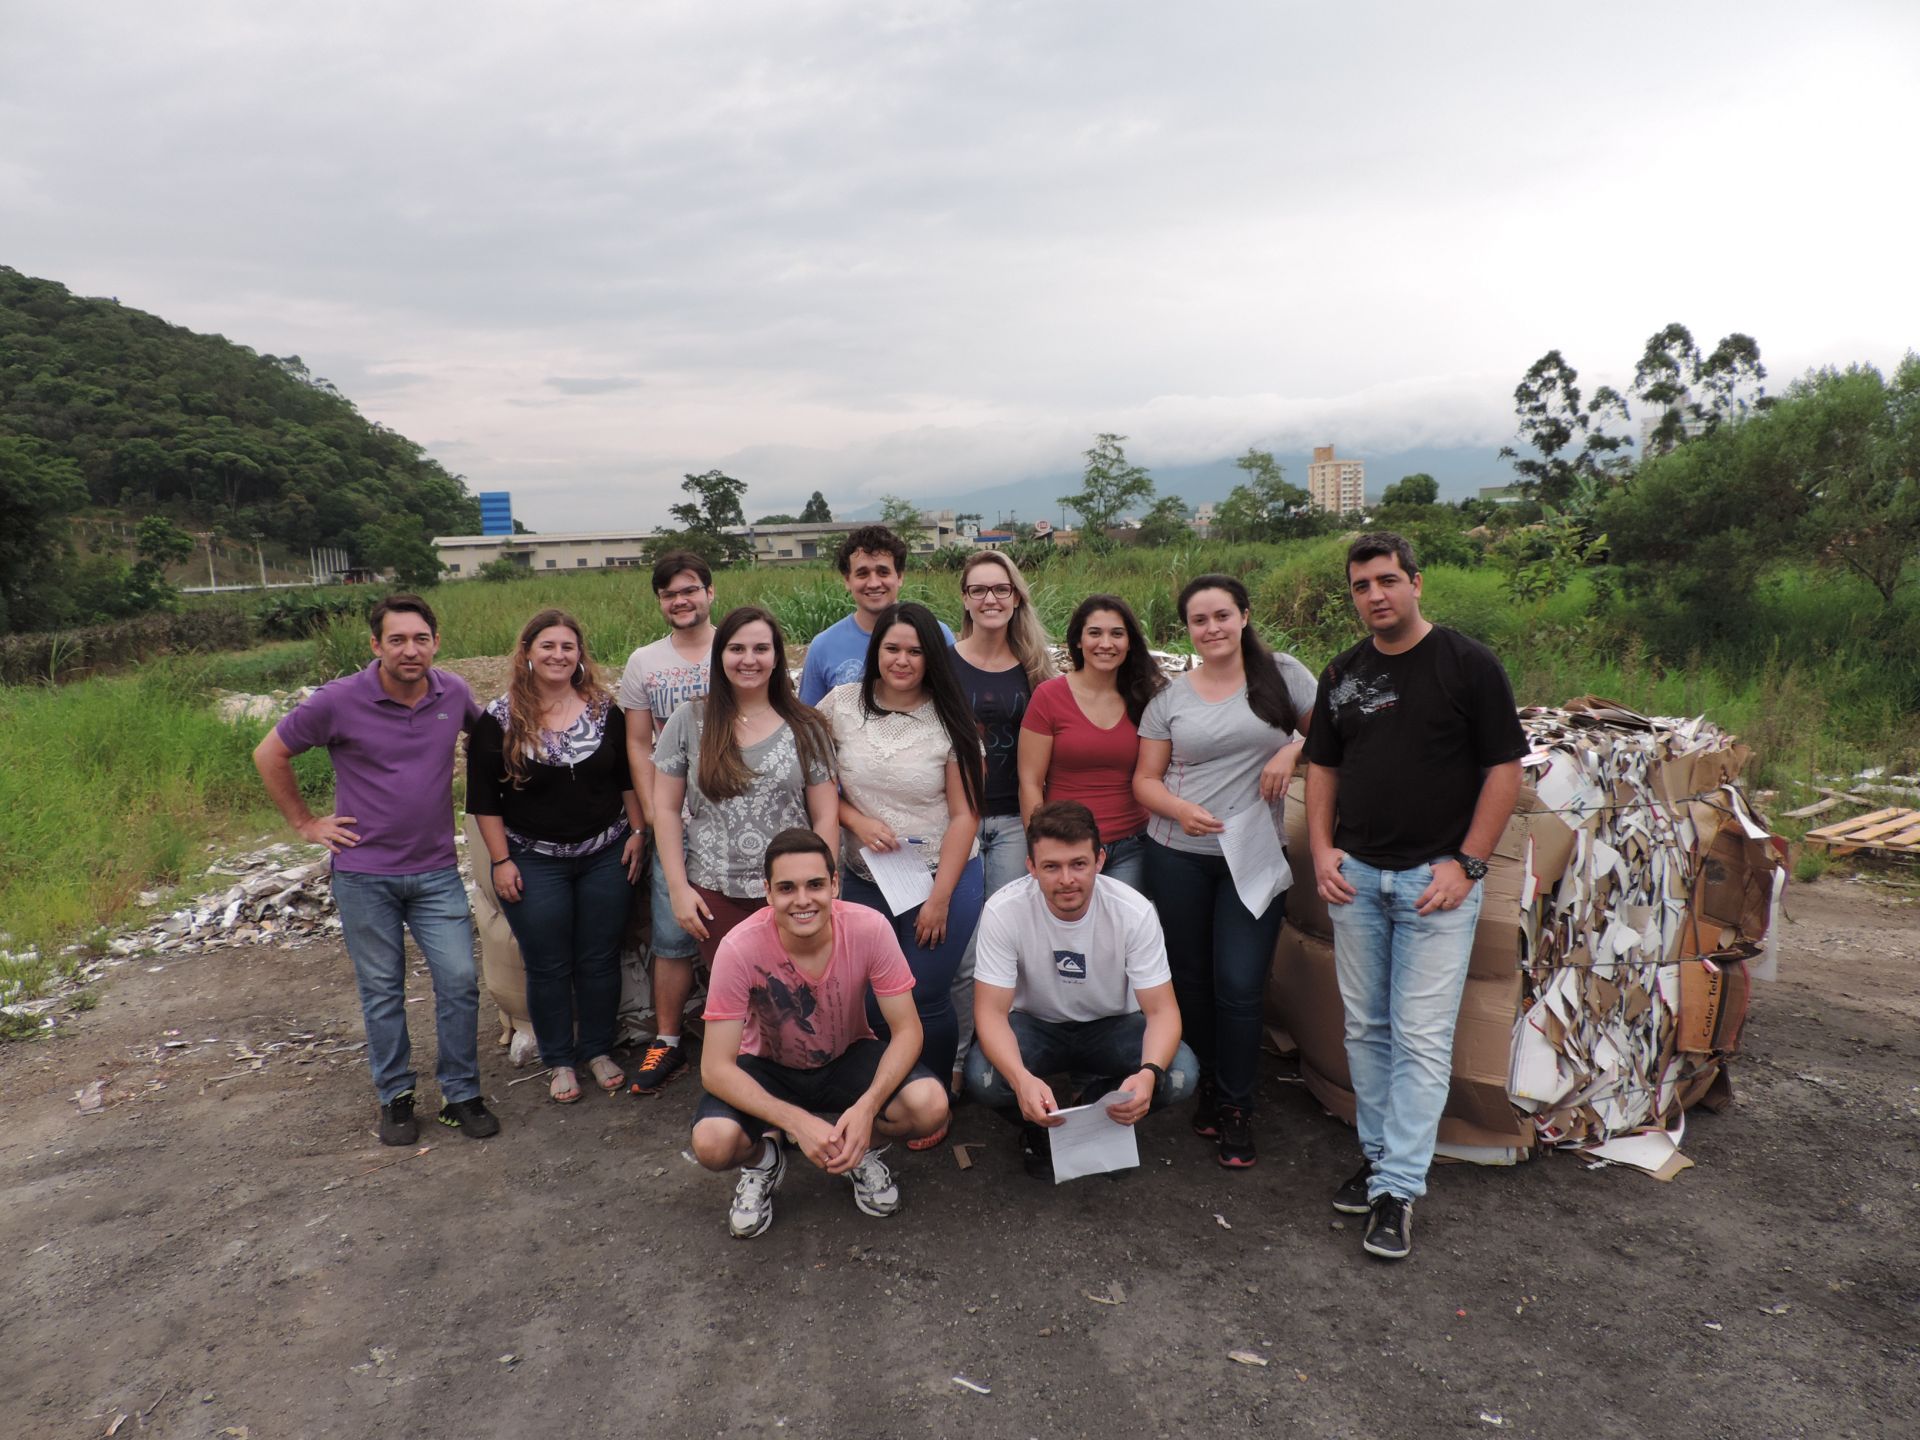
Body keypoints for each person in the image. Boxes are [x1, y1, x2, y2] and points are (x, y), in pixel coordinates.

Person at [1304, 532, 1525, 1262]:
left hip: (1436, 883)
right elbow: (1324, 770)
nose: (1376, 595)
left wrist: (1467, 863)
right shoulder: (1343, 673)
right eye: (1362, 584)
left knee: (1422, 1036)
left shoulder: (1468, 665)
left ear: (1417, 584)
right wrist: (1321, 849)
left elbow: (1503, 769)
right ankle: (1379, 1159)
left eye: (1388, 580)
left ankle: (1398, 1188)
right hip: (1359, 877)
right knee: (1366, 1028)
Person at [253, 594, 499, 1143]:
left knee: (459, 981)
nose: (410, 650)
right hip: (365, 874)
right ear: (375, 645)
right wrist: (305, 823)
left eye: (420, 639)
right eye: (397, 640)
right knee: (382, 988)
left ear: (435, 642)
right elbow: (269, 753)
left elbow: (493, 744)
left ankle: (461, 1093)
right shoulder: (338, 701)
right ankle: (396, 1097)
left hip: (435, 871)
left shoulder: (452, 692)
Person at [1134, 573, 1317, 1170]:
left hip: (1252, 855)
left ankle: (1238, 1104)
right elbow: (1144, 781)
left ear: (1243, 615)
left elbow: (1334, 741)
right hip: (1176, 854)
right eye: (1199, 620)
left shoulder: (1284, 675)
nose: (1212, 628)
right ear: (1186, 628)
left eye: (1222, 616)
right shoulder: (1170, 699)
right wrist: (1180, 809)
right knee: (1190, 978)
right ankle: (1207, 1080)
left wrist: (1291, 749)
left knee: (1239, 985)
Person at [690, 829, 951, 1238]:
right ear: (768, 892)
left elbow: (907, 1031)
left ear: (834, 884)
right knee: (712, 1143)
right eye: (786, 888)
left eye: (814, 884)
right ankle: (764, 1160)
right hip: (766, 1066)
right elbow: (715, 1069)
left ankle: (856, 1146)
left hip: (845, 1055)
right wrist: (795, 1123)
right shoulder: (739, 948)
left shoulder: (869, 928)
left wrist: (866, 1110)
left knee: (930, 1106)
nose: (802, 899)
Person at [649, 606, 840, 1090]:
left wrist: (825, 888)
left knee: (799, 998)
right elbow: (667, 810)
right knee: (744, 1007)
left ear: (777, 657)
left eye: (761, 648)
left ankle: (808, 1093)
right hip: (716, 891)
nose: (748, 659)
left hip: (791, 895)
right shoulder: (689, 721)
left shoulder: (807, 725)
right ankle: (758, 1107)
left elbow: (825, 814)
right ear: (720, 656)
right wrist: (678, 886)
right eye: (737, 648)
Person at [817, 600, 984, 1142]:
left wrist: (939, 897)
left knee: (926, 994)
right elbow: (814, 785)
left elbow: (965, 815)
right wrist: (855, 821)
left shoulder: (950, 718)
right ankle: (884, 1090)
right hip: (865, 879)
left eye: (915, 651)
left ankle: (932, 1091)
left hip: (941, 876)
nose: (903, 660)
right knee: (866, 996)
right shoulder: (840, 706)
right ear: (876, 651)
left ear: (932, 657)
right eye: (892, 648)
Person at [965, 801, 1198, 1179]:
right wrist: (1022, 1081)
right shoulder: (1003, 910)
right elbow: (990, 1013)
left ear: (1100, 860)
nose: (1067, 880)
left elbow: (1162, 1012)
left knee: (1179, 1074)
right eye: (1051, 867)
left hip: (1112, 1026)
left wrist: (1148, 1074)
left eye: (1078, 864)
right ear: (1030, 867)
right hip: (1035, 1025)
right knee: (984, 1078)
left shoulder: (1134, 912)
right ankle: (1039, 1127)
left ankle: (1096, 1115)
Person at [468, 609, 644, 1104]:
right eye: (547, 646)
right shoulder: (499, 719)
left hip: (606, 851)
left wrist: (638, 831)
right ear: (526, 653)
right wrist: (502, 861)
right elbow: (484, 800)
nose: (558, 655)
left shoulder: (605, 710)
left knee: (598, 956)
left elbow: (627, 778)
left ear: (580, 656)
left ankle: (597, 1050)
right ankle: (559, 1060)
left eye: (568, 647)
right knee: (547, 964)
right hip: (533, 858)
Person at [947, 549, 1055, 1082]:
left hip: (1014, 819)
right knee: (963, 944)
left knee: (1007, 936)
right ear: (965, 600)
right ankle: (961, 1059)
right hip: (958, 819)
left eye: (1001, 589)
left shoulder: (1037, 664)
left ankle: (1006, 1056)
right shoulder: (944, 662)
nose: (990, 599)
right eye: (979, 590)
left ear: (1016, 597)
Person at [618, 551, 716, 1087]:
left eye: (689, 590)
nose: (681, 601)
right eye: (669, 594)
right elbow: (637, 742)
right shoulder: (644, 662)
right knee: (672, 935)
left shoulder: (734, 646)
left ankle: (749, 1035)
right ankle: (669, 1040)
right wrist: (658, 812)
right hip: (673, 818)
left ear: (709, 593)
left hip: (731, 816)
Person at [1018, 593, 1165, 892]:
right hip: (1066, 847)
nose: (1106, 643)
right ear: (1077, 640)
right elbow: (1031, 781)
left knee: (1120, 933)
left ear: (1130, 642)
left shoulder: (1146, 697)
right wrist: (1040, 844)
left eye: (1117, 634)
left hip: (1132, 845)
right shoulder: (1049, 696)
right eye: (1095, 633)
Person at [797, 524, 954, 705]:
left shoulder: (937, 635)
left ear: (900, 576)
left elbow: (956, 702)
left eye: (883, 572)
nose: (873, 583)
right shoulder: (822, 647)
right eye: (862, 574)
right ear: (847, 580)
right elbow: (809, 722)